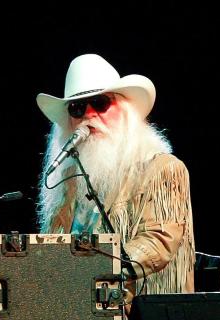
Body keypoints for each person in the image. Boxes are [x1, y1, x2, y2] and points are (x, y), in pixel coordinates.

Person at [37, 54, 195, 303]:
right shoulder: (68, 180)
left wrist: (90, 271)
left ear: (125, 110)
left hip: (141, 318)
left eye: (99, 103)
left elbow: (159, 241)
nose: (88, 115)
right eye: (77, 108)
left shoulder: (162, 168)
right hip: (79, 308)